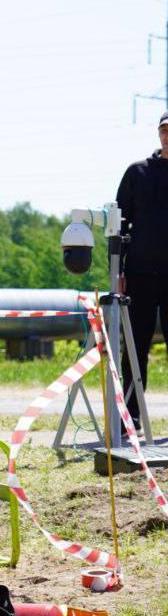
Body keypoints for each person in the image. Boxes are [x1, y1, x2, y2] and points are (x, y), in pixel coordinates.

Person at [117, 110, 168, 429]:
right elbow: (120, 225)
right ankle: (130, 416)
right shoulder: (138, 173)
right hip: (140, 275)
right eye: (164, 130)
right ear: (159, 134)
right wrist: (118, 272)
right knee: (135, 346)